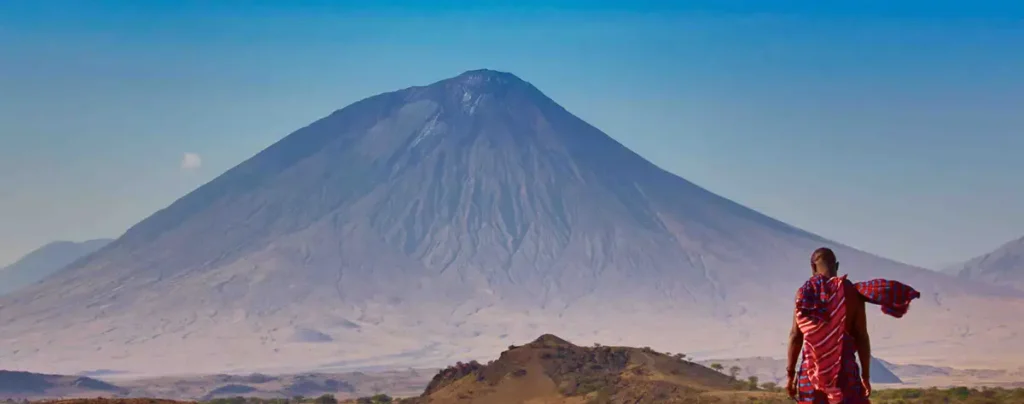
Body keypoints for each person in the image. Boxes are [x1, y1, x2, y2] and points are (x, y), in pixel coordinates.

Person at [785, 247, 921, 403]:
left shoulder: (805, 294)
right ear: (836, 266)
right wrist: (865, 376)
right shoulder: (850, 292)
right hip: (844, 374)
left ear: (812, 268)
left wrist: (790, 375)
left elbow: (796, 336)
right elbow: (861, 336)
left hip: (810, 375)